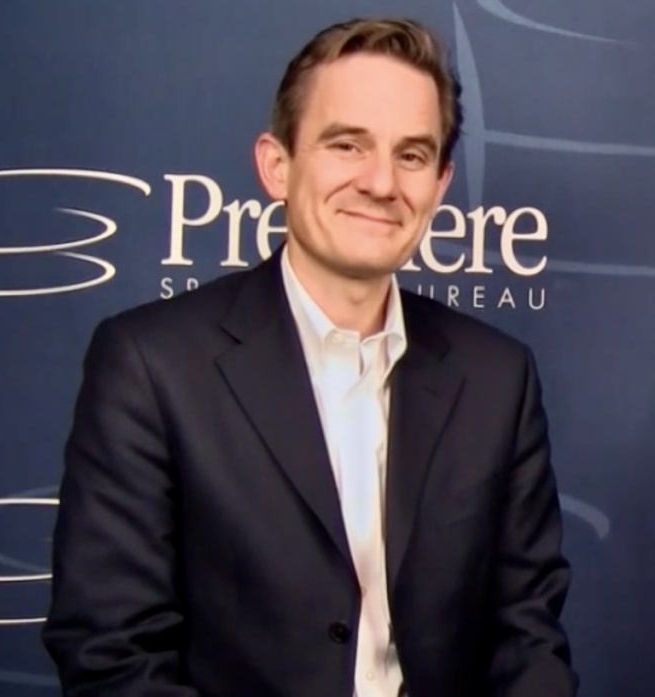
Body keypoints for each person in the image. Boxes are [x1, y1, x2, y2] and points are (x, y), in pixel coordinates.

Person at [42, 16, 576, 697]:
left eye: (412, 156)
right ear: (278, 165)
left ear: (441, 184)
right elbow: (112, 656)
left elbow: (527, 638)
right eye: (347, 145)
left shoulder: (497, 378)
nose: (381, 182)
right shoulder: (150, 365)